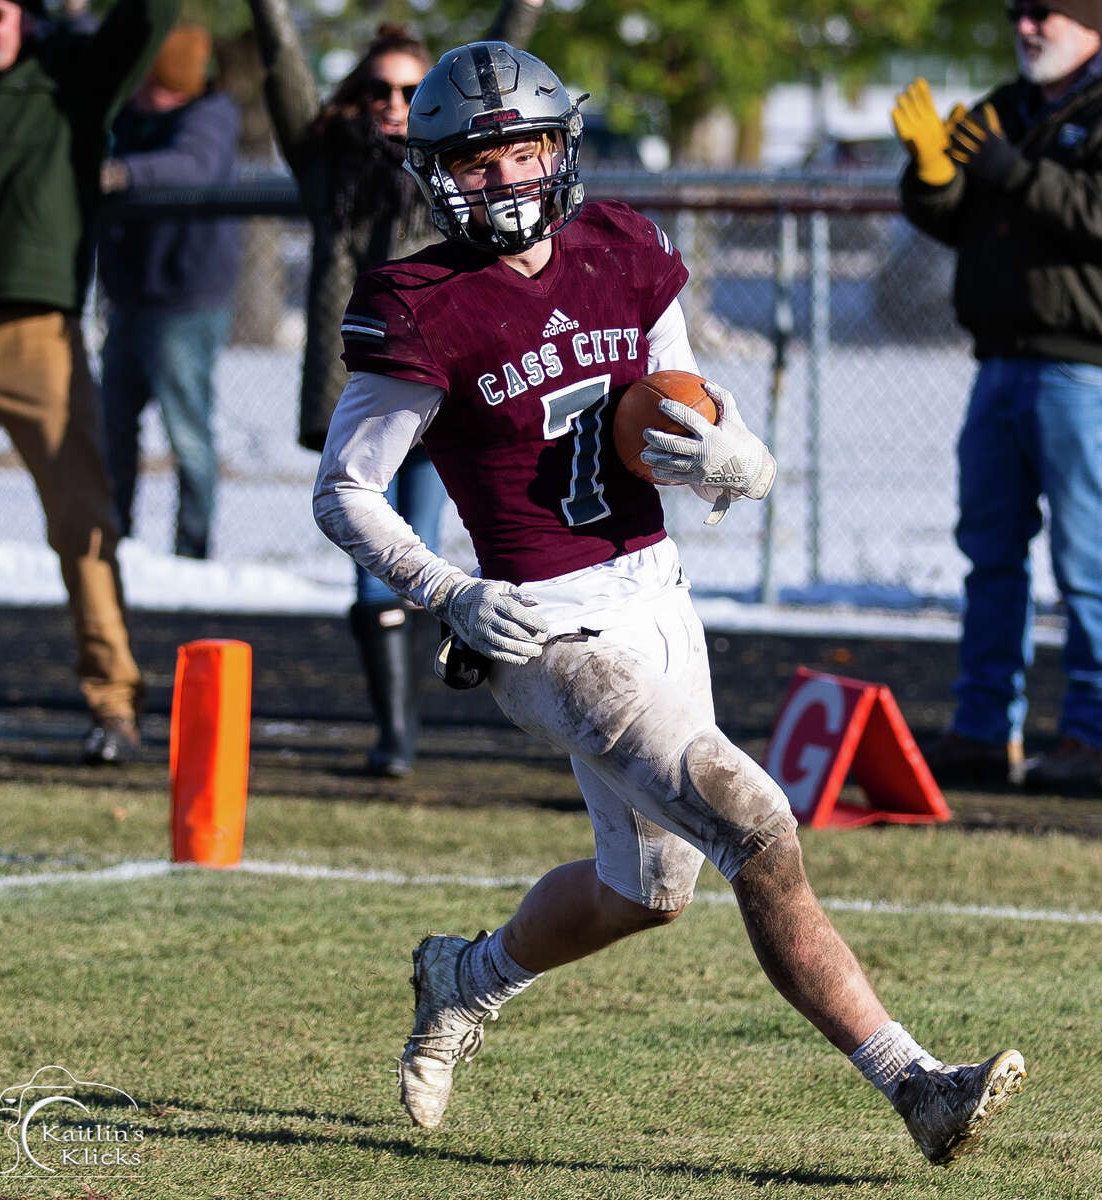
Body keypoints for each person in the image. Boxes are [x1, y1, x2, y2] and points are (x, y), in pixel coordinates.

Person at [314, 42, 1027, 1164]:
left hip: (657, 591)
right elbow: (345, 490)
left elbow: (680, 401)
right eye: (480, 159)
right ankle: (918, 1086)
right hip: (541, 624)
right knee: (758, 822)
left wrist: (735, 456)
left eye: (525, 148)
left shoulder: (623, 245)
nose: (506, 177)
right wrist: (447, 589)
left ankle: (466, 974)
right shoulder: (418, 301)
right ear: (441, 171)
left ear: (560, 149)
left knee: (647, 891)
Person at [248, 0, 543, 777]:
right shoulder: (327, 166)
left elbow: (497, 69)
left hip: (443, 391)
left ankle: (459, 697)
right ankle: (396, 737)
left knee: (431, 548)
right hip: (364, 390)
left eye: (411, 92)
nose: (392, 105)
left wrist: (529, 8)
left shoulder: (446, 172)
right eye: (379, 91)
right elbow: (283, 77)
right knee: (372, 554)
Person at [893, 0, 1102, 796]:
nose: (1026, 27)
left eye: (1045, 13)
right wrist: (933, 177)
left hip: (1088, 362)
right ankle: (983, 730)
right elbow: (958, 220)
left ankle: (1092, 737)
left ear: (1089, 20)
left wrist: (1010, 170)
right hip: (1002, 357)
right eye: (1018, 13)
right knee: (990, 553)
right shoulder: (1009, 103)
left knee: (1084, 558)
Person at [0, 0, 180, 763]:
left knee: (84, 524)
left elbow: (152, 15)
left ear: (24, 17)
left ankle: (114, 706)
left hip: (40, 337)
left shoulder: (72, 78)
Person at [97, 23, 242, 561]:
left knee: (187, 436)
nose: (143, 92)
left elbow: (194, 166)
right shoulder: (132, 116)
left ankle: (192, 552)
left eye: (153, 83)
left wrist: (119, 174)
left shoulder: (211, 115)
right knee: (113, 432)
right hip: (129, 299)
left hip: (184, 301)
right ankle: (113, 542)